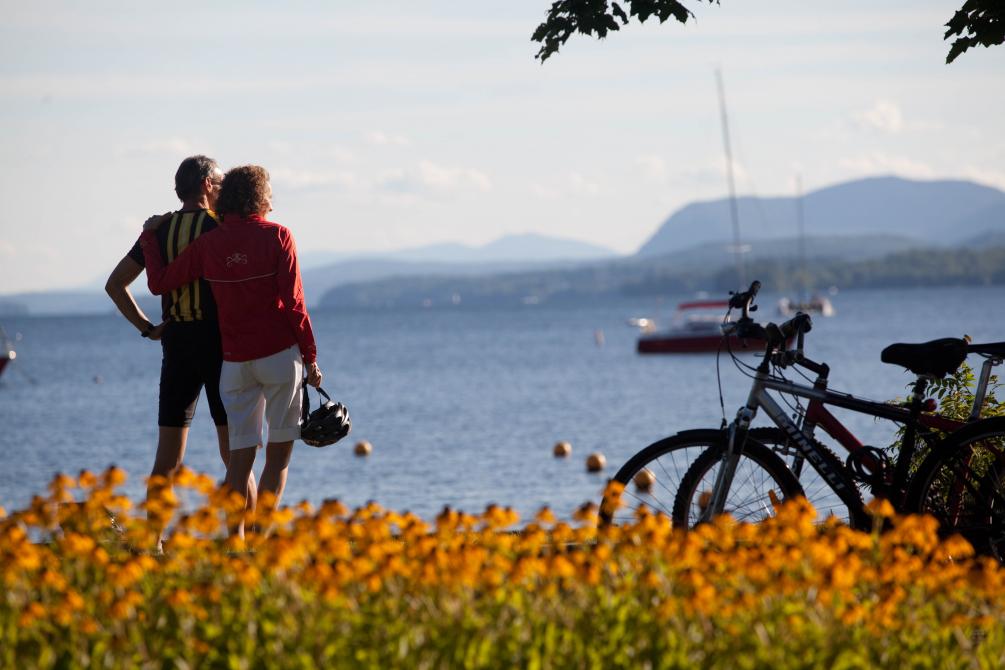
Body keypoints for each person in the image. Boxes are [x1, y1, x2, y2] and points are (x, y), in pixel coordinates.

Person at [140, 165, 322, 537]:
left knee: (239, 462)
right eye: (269, 192)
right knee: (278, 458)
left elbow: (159, 283)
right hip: (277, 357)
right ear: (258, 197)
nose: (273, 199)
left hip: (235, 364)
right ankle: (261, 543)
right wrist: (311, 357)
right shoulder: (278, 237)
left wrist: (148, 237)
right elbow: (295, 305)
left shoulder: (209, 244)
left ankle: (233, 545)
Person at [105, 155, 257, 536]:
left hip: (177, 344)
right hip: (219, 344)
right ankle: (247, 542)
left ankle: (152, 542)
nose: (225, 191)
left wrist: (147, 327)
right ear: (207, 185)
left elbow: (114, 284)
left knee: (168, 456)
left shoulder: (159, 232)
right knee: (235, 455)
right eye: (220, 184)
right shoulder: (220, 228)